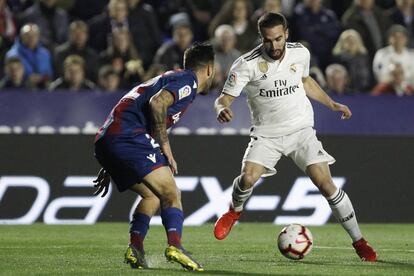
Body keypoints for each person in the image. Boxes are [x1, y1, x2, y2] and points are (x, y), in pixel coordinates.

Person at [213, 12, 377, 262]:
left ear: (286, 34)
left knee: (327, 185)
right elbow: (224, 97)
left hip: (301, 131)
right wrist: (221, 108)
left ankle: (359, 241)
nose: (274, 45)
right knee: (247, 178)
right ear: (261, 38)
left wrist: (332, 104)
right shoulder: (246, 64)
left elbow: (305, 80)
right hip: (266, 134)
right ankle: (234, 211)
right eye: (268, 40)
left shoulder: (300, 52)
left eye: (278, 39)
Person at [92, 43, 215, 271]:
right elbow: (157, 103)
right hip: (127, 136)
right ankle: (175, 246)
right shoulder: (188, 80)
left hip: (109, 139)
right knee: (171, 193)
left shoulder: (171, 77)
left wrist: (111, 162)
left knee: (153, 196)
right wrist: (165, 145)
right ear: (209, 69)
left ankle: (135, 247)